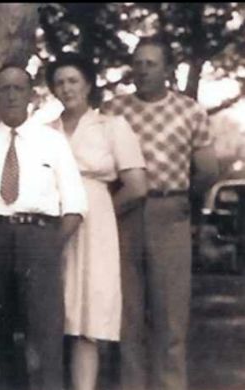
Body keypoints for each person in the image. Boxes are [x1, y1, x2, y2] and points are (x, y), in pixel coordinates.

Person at [0, 63, 88, 390]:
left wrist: (51, 245)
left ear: (31, 95)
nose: (11, 95)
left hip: (39, 238)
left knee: (44, 333)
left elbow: (75, 204)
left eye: (18, 88)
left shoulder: (52, 142)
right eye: (5, 89)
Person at [100, 36, 219, 390]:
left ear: (168, 69)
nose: (142, 70)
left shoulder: (190, 111)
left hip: (170, 213)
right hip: (124, 215)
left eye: (151, 63)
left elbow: (208, 170)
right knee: (128, 314)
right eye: (137, 63)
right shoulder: (113, 111)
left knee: (171, 316)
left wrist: (182, 199)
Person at [45, 53, 147, 390]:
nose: (66, 88)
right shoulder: (44, 132)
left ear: (88, 84)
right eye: (59, 82)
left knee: (87, 319)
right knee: (54, 312)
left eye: (73, 80)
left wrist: (97, 212)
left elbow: (136, 187)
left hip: (96, 229)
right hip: (53, 226)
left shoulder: (111, 126)